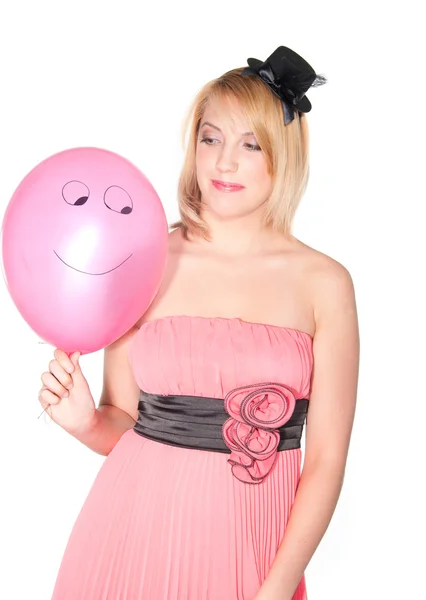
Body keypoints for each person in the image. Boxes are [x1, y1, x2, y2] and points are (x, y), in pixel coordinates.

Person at [38, 46, 360, 600]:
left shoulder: (325, 284)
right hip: (129, 536)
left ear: (282, 155)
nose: (224, 163)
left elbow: (326, 461)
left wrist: (277, 587)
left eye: (249, 145)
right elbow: (125, 421)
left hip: (250, 555)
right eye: (211, 138)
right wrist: (85, 421)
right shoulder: (146, 260)